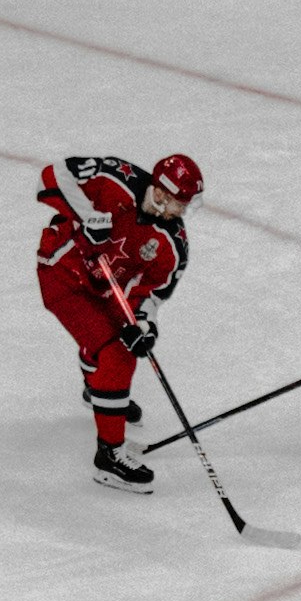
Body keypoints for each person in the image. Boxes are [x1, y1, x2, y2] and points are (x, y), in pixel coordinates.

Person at [33, 151, 204, 493]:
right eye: (178, 203)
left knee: (126, 342)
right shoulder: (115, 177)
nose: (182, 212)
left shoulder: (174, 244)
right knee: (116, 355)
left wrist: (144, 325)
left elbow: (151, 293)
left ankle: (96, 386)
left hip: (107, 291)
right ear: (159, 193)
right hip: (63, 275)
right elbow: (51, 177)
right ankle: (109, 458)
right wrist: (88, 216)